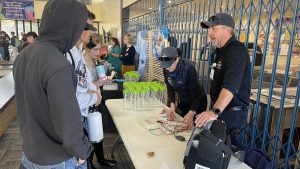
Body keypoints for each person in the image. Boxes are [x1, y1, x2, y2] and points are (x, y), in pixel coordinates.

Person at [13, 0, 93, 168]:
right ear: (71, 27)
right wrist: (83, 152)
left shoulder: (25, 54)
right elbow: (68, 124)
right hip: (57, 160)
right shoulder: (58, 64)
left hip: (30, 153)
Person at [195, 13, 251, 148]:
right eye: (209, 29)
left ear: (227, 30)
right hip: (220, 112)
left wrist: (214, 111)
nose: (210, 33)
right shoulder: (221, 51)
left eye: (214, 29)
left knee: (231, 157)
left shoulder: (236, 50)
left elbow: (230, 87)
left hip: (232, 117)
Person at [66, 17, 101, 169]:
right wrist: (95, 96)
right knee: (78, 160)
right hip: (74, 117)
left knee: (86, 153)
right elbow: (72, 97)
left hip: (82, 113)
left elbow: (81, 84)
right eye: (88, 28)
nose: (90, 32)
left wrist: (92, 89)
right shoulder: (67, 55)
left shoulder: (77, 52)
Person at [83, 34, 117, 168]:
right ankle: (89, 163)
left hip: (96, 101)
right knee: (88, 137)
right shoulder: (80, 62)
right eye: (94, 50)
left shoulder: (96, 61)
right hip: (86, 105)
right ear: (87, 47)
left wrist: (106, 79)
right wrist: (97, 83)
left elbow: (100, 80)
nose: (98, 53)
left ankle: (101, 159)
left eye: (99, 49)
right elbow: (82, 88)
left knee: (98, 133)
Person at [159, 47, 207, 129]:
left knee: (192, 128)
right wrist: (172, 104)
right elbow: (170, 87)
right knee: (180, 124)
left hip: (197, 101)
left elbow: (196, 95)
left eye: (169, 65)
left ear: (177, 59)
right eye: (165, 65)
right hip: (184, 100)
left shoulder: (188, 70)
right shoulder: (165, 70)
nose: (166, 68)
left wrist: (192, 112)